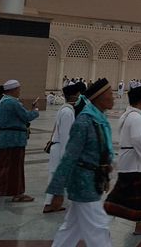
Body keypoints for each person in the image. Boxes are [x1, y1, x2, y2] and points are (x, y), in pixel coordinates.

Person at [47, 78, 115, 247]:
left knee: (70, 229)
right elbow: (69, 156)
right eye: (110, 94)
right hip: (84, 184)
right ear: (99, 98)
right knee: (99, 228)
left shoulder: (98, 120)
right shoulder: (84, 122)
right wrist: (57, 190)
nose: (113, 98)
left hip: (91, 181)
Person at [104, 85, 141, 235]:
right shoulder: (136, 117)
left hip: (129, 160)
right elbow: (136, 139)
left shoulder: (127, 115)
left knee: (131, 194)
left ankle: (139, 224)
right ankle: (103, 216)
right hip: (135, 163)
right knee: (131, 195)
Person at [0, 79, 39, 203]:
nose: (19, 91)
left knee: (1, 166)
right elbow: (26, 117)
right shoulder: (13, 103)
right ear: (13, 90)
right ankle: (17, 193)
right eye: (18, 89)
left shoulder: (3, 102)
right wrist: (35, 111)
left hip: (6, 139)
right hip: (14, 140)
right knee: (15, 168)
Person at [44, 81, 81, 212]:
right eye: (77, 95)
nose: (79, 97)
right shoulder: (67, 112)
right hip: (60, 147)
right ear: (73, 96)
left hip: (58, 146)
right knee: (56, 175)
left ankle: (52, 203)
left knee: (55, 176)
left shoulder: (65, 110)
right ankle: (50, 204)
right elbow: (66, 135)